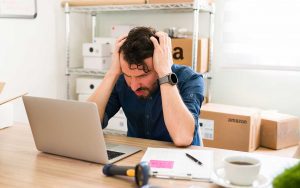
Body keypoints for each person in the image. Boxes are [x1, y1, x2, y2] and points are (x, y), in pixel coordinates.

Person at [88, 26, 204, 146]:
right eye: (128, 75)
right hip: (137, 158)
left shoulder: (189, 79)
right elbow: (86, 127)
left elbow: (182, 137)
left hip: (181, 160)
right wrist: (112, 73)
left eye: (142, 76)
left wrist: (165, 73)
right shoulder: (121, 80)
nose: (133, 86)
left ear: (160, 62)